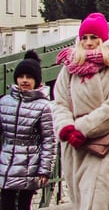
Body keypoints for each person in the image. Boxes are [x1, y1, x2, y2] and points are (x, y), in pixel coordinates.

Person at [52, 12, 109, 210]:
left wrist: (82, 128)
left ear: (103, 39)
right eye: (85, 38)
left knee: (98, 202)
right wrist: (66, 128)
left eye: (94, 38)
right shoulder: (69, 68)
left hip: (104, 145)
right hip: (74, 147)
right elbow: (60, 102)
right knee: (81, 201)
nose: (88, 43)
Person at [0, 51, 55, 210]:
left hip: (30, 163)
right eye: (21, 76)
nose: (24, 80)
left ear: (36, 81)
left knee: (25, 204)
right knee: (5, 203)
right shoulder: (5, 102)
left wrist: (44, 170)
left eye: (29, 77)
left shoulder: (43, 106)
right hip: (7, 160)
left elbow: (49, 140)